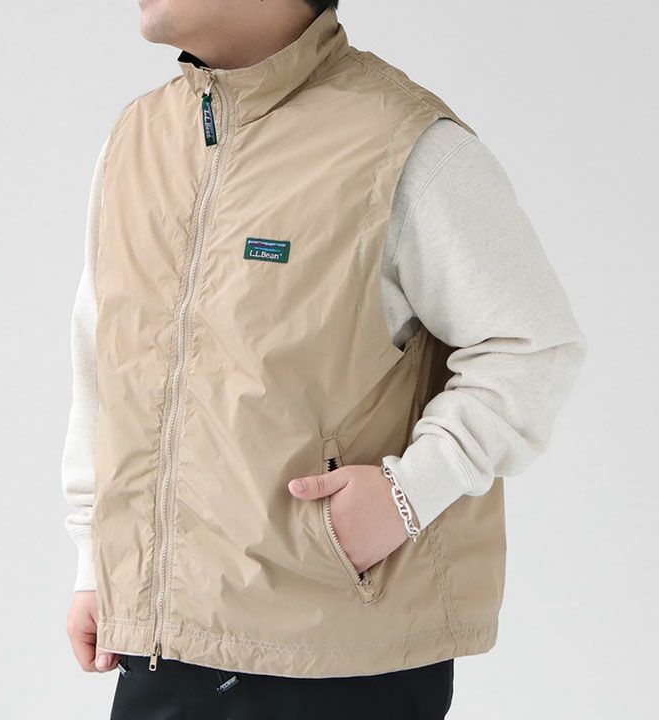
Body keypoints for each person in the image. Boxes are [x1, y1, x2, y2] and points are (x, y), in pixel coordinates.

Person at [61, 2, 587, 718]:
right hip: (162, 646)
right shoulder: (137, 141)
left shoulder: (402, 144)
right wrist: (96, 561)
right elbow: (102, 361)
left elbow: (532, 345)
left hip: (337, 652)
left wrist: (408, 495)